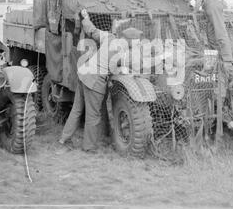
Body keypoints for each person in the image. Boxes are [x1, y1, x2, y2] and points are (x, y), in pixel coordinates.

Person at [57, 9, 167, 153]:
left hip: (83, 74)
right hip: (94, 81)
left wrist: (85, 16)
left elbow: (92, 30)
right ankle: (89, 148)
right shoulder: (123, 53)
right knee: (93, 116)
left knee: (77, 110)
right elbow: (138, 64)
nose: (139, 43)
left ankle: (63, 139)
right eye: (137, 41)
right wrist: (160, 58)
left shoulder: (110, 37)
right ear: (131, 41)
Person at [180, 0, 233, 70]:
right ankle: (215, 61)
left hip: (212, 4)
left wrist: (194, 13)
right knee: (211, 37)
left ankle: (227, 60)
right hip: (207, 8)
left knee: (220, 32)